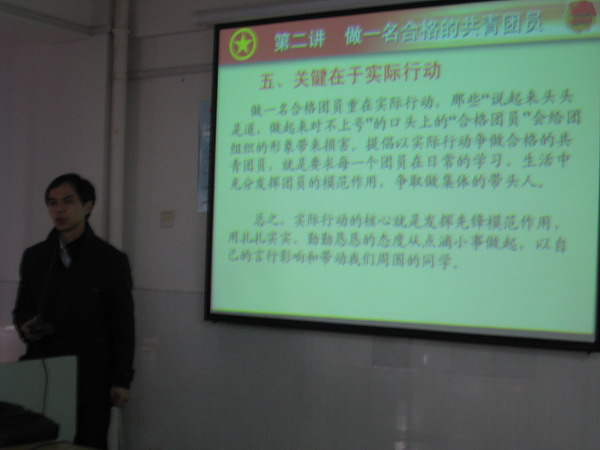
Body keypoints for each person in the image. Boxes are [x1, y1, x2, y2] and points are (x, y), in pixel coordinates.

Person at [13, 173, 135, 449]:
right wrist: (26, 326)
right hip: (44, 373)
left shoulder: (110, 260)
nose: (59, 209)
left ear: (87, 206)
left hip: (90, 379)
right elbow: (22, 310)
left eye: (67, 201)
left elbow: (123, 326)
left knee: (87, 443)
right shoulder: (35, 257)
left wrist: (121, 380)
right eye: (52, 203)